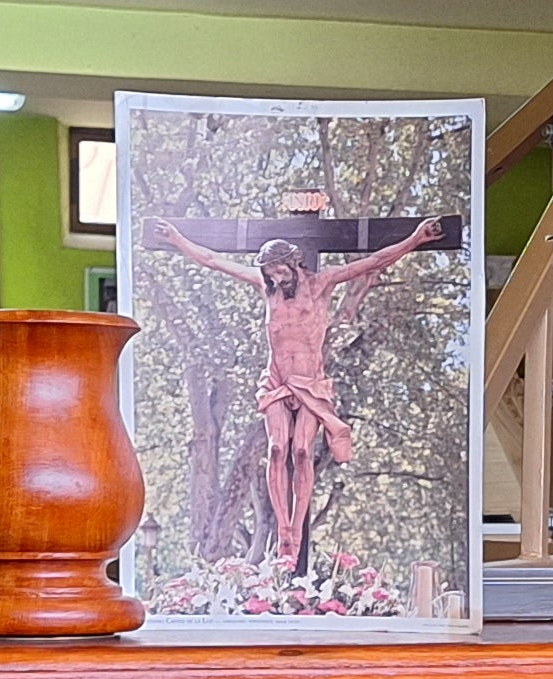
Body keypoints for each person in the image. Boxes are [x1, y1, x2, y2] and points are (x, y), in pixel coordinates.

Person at [151, 214, 445, 574]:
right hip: (277, 381)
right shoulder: (266, 289)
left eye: (279, 269)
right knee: (277, 449)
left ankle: (295, 529)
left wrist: (416, 239)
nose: (275, 277)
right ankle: (283, 528)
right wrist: (178, 239)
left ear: (293, 262)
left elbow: (374, 261)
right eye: (270, 271)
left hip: (309, 382)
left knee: (303, 450)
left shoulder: (322, 283)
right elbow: (214, 260)